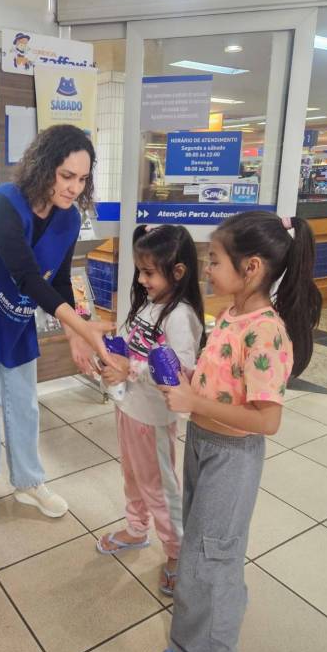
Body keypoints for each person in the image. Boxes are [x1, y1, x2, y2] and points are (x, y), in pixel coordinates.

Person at [159, 211, 322, 652]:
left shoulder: (266, 331)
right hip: (202, 443)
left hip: (232, 456)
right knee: (203, 550)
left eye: (214, 260)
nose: (206, 270)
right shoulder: (231, 314)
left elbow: (267, 421)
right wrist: (188, 384)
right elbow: (224, 381)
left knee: (210, 558)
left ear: (250, 267)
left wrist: (194, 402)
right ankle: (201, 633)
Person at [0, 124, 114, 519]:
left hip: (14, 316)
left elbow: (59, 280)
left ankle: (28, 482)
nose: (74, 188)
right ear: (44, 166)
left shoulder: (68, 219)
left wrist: (74, 334)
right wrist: (84, 328)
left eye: (82, 179)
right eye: (66, 176)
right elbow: (27, 276)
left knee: (23, 402)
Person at [96, 225, 204, 598]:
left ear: (178, 271)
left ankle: (176, 552)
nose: (141, 280)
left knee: (159, 487)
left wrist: (131, 368)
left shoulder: (180, 316)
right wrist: (112, 356)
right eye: (140, 271)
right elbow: (131, 345)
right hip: (129, 408)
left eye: (148, 272)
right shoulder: (149, 304)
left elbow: (180, 372)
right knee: (132, 476)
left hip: (153, 419)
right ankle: (136, 528)